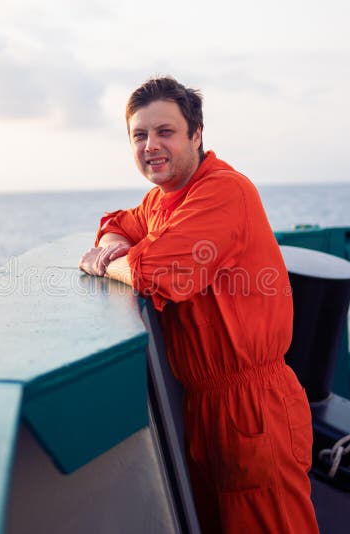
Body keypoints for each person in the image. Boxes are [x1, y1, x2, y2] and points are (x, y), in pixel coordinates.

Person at [79, 76, 318, 534]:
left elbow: (154, 270)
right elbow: (118, 224)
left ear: (196, 134)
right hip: (202, 405)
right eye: (139, 135)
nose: (150, 145)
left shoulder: (223, 190)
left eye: (164, 132)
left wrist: (103, 263)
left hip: (252, 405)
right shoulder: (162, 200)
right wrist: (112, 248)